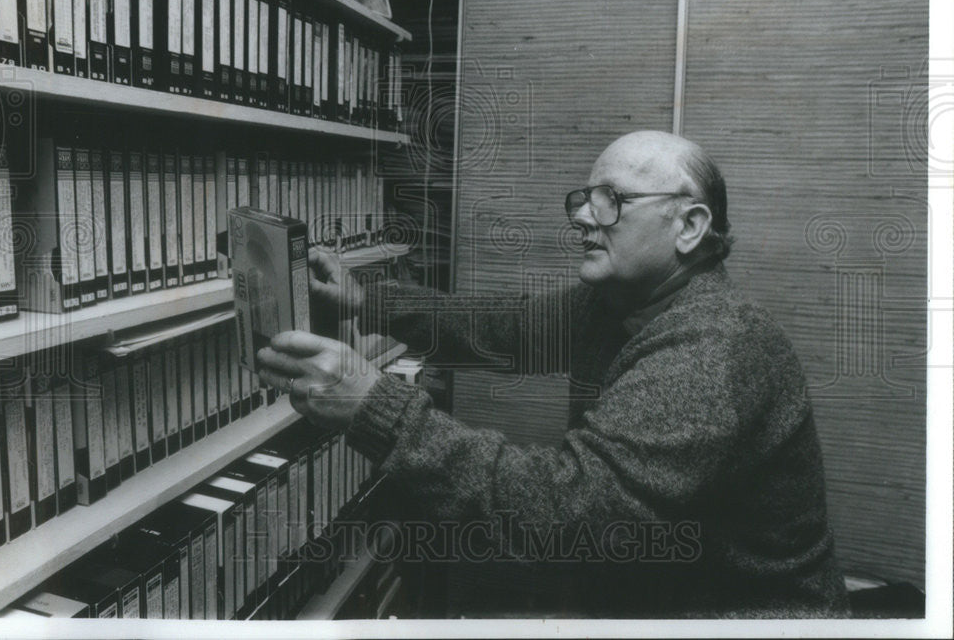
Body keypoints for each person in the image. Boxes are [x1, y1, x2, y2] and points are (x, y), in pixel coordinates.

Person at [257, 130, 849, 618]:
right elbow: (506, 326)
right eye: (585, 198)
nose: (584, 217)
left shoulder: (716, 347)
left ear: (689, 227)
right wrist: (368, 301)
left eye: (612, 199)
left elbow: (566, 515)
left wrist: (374, 406)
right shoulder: (621, 303)